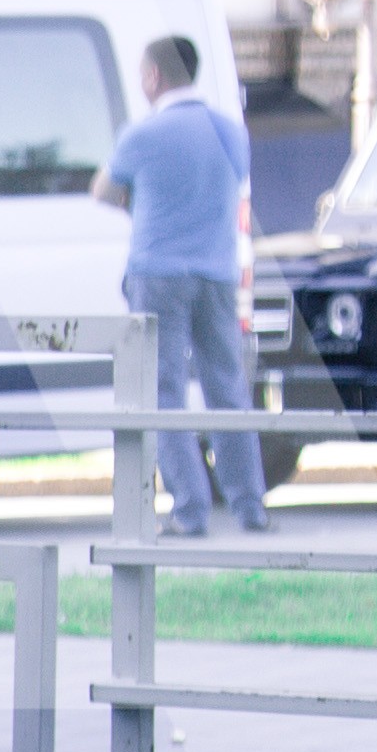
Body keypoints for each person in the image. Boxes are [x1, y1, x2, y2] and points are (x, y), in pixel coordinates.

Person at [97, 30, 265, 534]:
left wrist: (140, 202)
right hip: (218, 272)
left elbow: (103, 190)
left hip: (157, 272)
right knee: (227, 388)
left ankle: (191, 509)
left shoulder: (141, 135)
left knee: (163, 391)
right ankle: (250, 506)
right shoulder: (231, 131)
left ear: (153, 76)